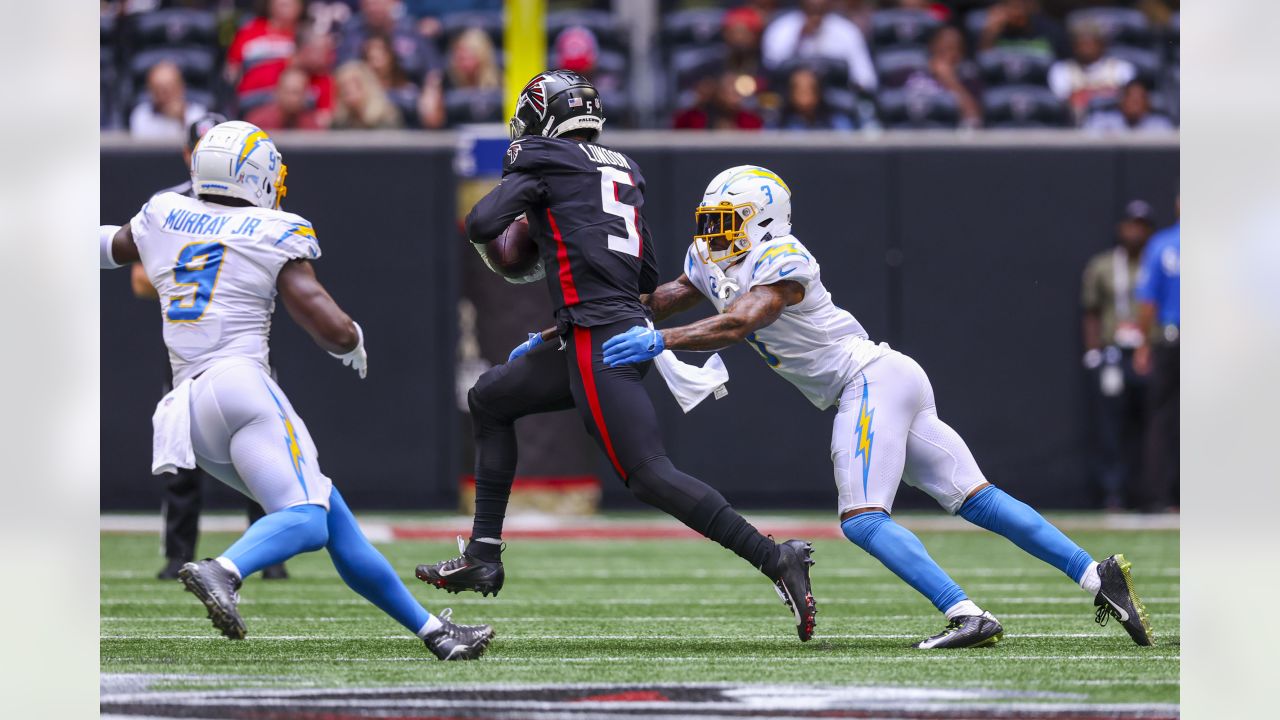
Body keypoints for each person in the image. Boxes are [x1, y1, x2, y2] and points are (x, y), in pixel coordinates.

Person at [603, 165, 1156, 649]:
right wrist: (607, 307)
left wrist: (662, 341)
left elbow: (742, 319)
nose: (712, 233)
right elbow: (673, 292)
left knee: (863, 520)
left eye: (727, 220)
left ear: (763, 220)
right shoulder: (713, 258)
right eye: (711, 220)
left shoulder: (782, 256)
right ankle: (1096, 575)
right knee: (977, 499)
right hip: (888, 378)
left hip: (868, 380)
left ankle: (965, 613)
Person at [414, 72, 819, 643]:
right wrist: (560, 320)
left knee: (648, 474)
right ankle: (483, 553)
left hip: (598, 335)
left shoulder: (544, 158)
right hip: (603, 326)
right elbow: (647, 275)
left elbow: (483, 223)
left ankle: (776, 557)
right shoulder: (622, 167)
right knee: (491, 398)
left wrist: (531, 218)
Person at [99, 120, 492, 660]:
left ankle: (436, 633)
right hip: (240, 388)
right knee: (305, 518)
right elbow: (318, 314)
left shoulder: (162, 213)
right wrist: (351, 338)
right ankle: (225, 569)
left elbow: (108, 246)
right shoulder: (271, 228)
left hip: (186, 410)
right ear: (252, 174)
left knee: (330, 516)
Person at [130, 113, 290, 582]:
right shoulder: (169, 206)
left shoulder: (257, 203)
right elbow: (140, 272)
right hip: (191, 344)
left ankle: (269, 551)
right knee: (183, 447)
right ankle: (178, 551)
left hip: (242, 339)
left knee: (261, 443)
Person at [1080, 200, 1156, 510]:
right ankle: (1113, 493)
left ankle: (1152, 493)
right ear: (1120, 228)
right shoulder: (1103, 265)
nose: (1135, 231)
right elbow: (1091, 310)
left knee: (1153, 427)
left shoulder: (1158, 262)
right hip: (1113, 352)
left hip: (1149, 350)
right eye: (1131, 224)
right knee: (1111, 427)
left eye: (1142, 225)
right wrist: (1093, 351)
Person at [1133, 199, 1179, 513]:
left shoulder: (1163, 244)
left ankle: (1162, 496)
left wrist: (1143, 344)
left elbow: (1148, 303)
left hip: (1170, 339)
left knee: (1163, 420)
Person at [761, 0, 877, 94]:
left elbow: (865, 78)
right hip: (790, 102)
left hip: (836, 103)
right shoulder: (781, 28)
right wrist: (800, 38)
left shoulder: (846, 30)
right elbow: (771, 70)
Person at [1048, 23, 1136, 123]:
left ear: (1102, 44)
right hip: (1074, 129)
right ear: (1073, 45)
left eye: (1090, 42)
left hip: (1116, 130)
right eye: (1081, 42)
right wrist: (1104, 93)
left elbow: (1129, 102)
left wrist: (1087, 95)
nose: (1085, 47)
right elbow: (1066, 102)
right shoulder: (1061, 69)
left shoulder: (1122, 68)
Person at [226, 0, 304, 112]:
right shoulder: (250, 30)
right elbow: (232, 66)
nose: (283, 7)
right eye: (280, 3)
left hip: (288, 102)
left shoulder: (303, 34)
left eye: (288, 4)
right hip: (250, 98)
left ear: (299, 7)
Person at [337, 0, 442, 80]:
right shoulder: (352, 32)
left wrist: (432, 89)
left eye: (378, 3)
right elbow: (342, 71)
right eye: (369, 4)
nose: (373, 9)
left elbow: (433, 68)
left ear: (392, 3)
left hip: (409, 94)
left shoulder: (410, 29)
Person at [905, 25, 983, 128]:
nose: (949, 54)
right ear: (932, 46)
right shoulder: (910, 73)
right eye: (944, 48)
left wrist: (949, 79)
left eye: (955, 49)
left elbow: (974, 118)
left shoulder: (968, 79)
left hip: (948, 138)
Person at [129, 61, 209, 139]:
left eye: (169, 88)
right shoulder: (141, 114)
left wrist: (181, 119)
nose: (164, 95)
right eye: (158, 89)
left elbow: (199, 145)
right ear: (150, 91)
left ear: (181, 87)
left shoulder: (198, 114)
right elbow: (141, 148)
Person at [361, 34, 420, 126]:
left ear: (391, 57)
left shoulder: (407, 88)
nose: (376, 65)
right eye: (371, 59)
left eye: (379, 58)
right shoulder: (361, 92)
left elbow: (413, 107)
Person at [673, 71, 765, 130]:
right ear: (717, 91)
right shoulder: (693, 118)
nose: (734, 97)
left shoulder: (751, 121)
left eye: (737, 92)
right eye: (728, 91)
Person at [977, 0, 1068, 59]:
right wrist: (990, 34)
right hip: (1001, 86)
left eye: (1020, 5)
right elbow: (983, 65)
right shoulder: (993, 32)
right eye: (1011, 6)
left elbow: (1062, 66)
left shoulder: (1050, 30)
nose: (1016, 12)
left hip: (1040, 86)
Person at [245, 67, 326, 130]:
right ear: (278, 91)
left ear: (305, 95)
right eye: (287, 92)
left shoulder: (311, 126)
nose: (290, 98)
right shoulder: (258, 122)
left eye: (296, 93)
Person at [774, 66, 854, 130]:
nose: (804, 94)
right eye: (799, 90)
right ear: (790, 93)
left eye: (810, 89)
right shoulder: (778, 125)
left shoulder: (838, 123)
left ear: (819, 93)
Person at [331, 60, 404, 129]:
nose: (348, 89)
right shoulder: (338, 123)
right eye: (343, 86)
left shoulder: (386, 118)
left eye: (355, 83)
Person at [1083, 80, 1175, 132]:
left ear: (1148, 103)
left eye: (1139, 99)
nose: (1135, 103)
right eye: (1130, 97)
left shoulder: (1161, 125)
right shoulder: (1101, 121)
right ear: (1121, 102)